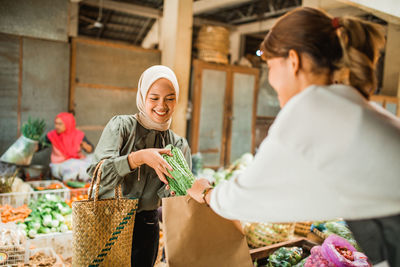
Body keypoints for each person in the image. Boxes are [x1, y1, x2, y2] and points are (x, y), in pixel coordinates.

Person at [187, 7, 400, 266]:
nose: (272, 82)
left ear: (293, 60)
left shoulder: (310, 106)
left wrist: (207, 193)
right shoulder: (347, 104)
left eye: (270, 67)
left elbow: (247, 196)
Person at [88, 65, 191, 267]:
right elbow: (96, 173)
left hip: (147, 226)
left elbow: (177, 198)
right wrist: (138, 158)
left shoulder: (177, 145)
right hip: (109, 221)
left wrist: (177, 189)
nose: (162, 105)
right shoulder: (121, 127)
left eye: (170, 98)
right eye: (154, 98)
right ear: (142, 96)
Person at [39, 112, 94, 181]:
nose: (57, 126)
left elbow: (90, 149)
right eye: (56, 123)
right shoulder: (52, 136)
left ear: (68, 123)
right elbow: (39, 147)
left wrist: (85, 146)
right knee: (75, 166)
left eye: (60, 124)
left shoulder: (78, 135)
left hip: (77, 161)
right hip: (60, 164)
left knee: (93, 161)